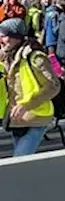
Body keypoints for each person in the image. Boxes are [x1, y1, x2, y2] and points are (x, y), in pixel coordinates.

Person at [0, 18, 60, 156]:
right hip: (16, 121)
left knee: (19, 162)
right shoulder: (6, 57)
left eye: (4, 36)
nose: (1, 40)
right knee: (22, 164)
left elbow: (53, 86)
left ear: (15, 37)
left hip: (37, 118)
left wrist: (27, 105)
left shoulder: (35, 57)